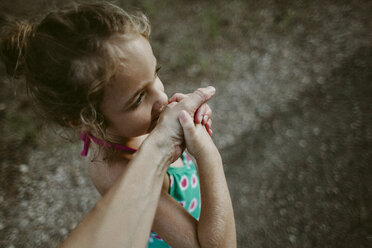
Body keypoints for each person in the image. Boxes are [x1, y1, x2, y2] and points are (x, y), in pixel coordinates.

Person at [0, 2, 236, 248]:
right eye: (138, 99)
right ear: (84, 120)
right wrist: (208, 153)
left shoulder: (136, 125)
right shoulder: (116, 171)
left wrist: (189, 127)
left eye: (155, 74)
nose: (163, 99)